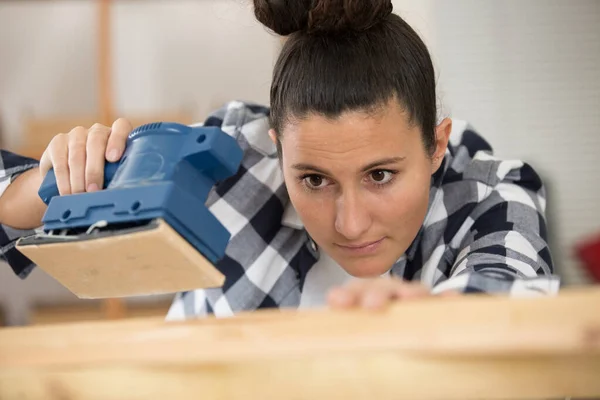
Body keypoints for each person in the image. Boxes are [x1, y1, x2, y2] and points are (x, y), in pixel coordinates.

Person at [0, 0, 559, 319]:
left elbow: (516, 301)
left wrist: (429, 317)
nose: (351, 223)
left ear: (437, 145)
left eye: (381, 175)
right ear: (276, 143)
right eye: (313, 178)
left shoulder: (494, 193)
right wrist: (42, 184)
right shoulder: (229, 156)